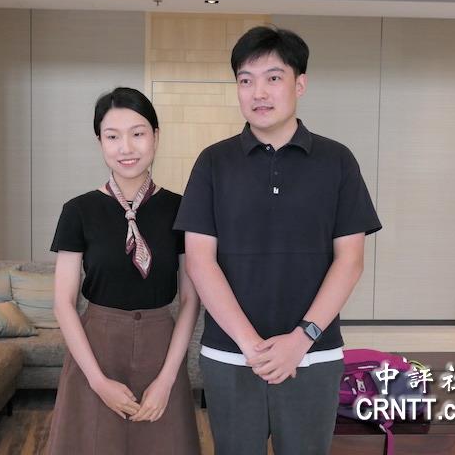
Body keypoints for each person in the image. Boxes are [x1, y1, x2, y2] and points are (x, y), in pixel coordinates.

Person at [174, 26, 382, 455]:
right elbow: (199, 261)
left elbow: (350, 260)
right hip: (231, 356)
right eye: (245, 80)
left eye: (273, 77)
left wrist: (301, 339)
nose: (258, 92)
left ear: (299, 84)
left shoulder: (337, 160)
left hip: (314, 354)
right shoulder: (213, 162)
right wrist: (251, 346)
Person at [45, 87, 201, 455]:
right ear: (99, 141)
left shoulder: (182, 209)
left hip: (162, 349)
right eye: (112, 136)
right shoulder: (78, 211)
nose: (126, 148)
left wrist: (167, 379)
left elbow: (191, 300)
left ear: (156, 136)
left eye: (138, 133)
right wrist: (98, 381)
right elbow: (63, 304)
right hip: (96, 350)